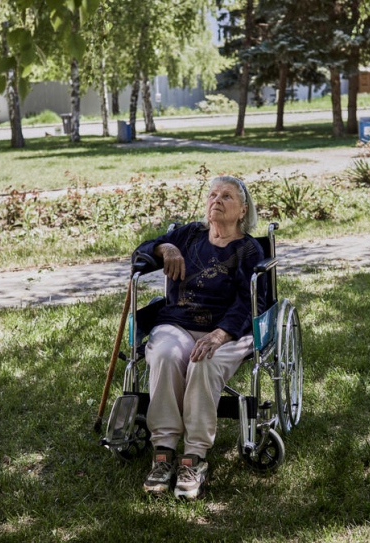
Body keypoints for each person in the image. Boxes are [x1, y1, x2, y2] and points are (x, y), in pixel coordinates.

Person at [132, 175, 265, 500]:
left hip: (228, 330)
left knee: (203, 362)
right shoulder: (189, 235)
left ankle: (194, 458)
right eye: (212, 194)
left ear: (242, 209)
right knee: (163, 353)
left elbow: (252, 301)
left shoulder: (248, 249)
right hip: (177, 323)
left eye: (227, 196)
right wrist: (166, 247)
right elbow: (141, 251)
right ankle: (163, 451)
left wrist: (220, 334)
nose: (216, 200)